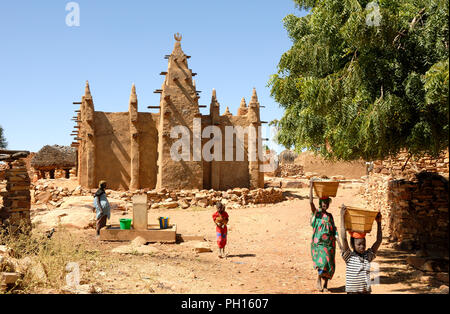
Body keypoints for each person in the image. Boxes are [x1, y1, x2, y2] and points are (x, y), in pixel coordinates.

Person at [340, 205, 382, 294]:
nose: (362, 246)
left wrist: (379, 223)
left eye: (363, 244)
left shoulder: (368, 256)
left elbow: (378, 241)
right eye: (359, 244)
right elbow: (343, 238)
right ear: (352, 244)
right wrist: (342, 217)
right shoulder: (349, 256)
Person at [309, 179, 341, 292]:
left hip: (330, 244)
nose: (325, 205)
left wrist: (340, 244)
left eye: (327, 204)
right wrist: (311, 187)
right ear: (320, 204)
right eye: (323, 203)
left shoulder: (330, 216)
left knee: (328, 264)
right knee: (322, 262)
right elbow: (310, 203)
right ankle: (318, 279)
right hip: (319, 244)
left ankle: (326, 285)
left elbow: (334, 230)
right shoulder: (316, 213)